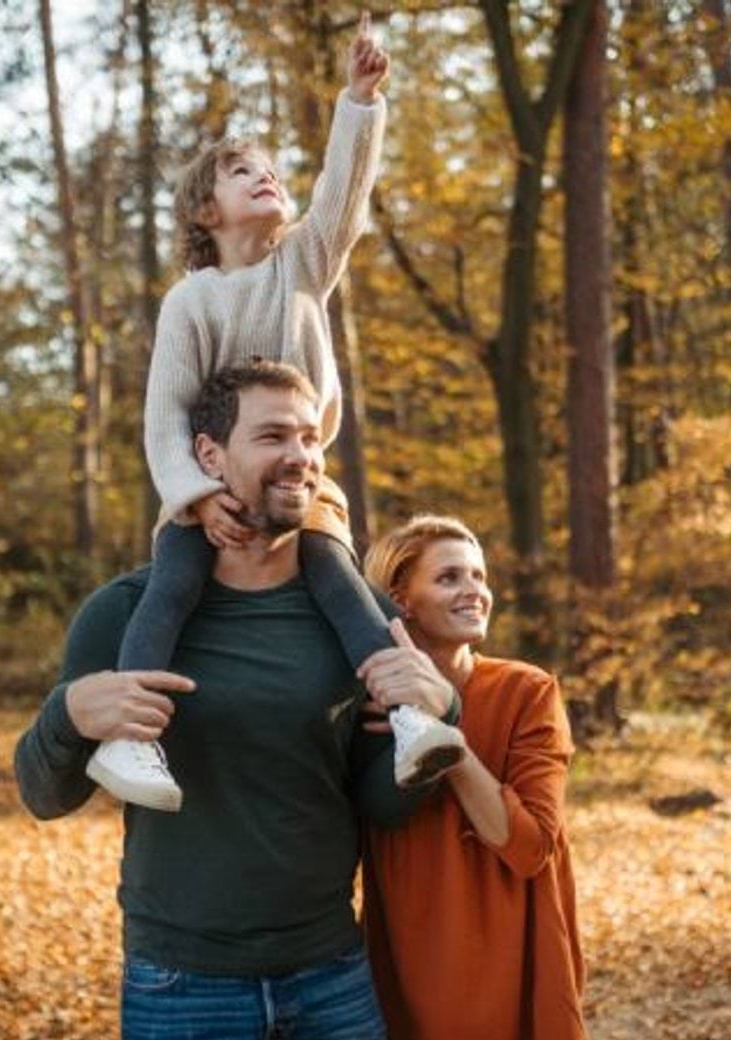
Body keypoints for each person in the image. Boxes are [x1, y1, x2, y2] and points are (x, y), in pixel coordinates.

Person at [14, 361, 460, 1039]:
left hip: (331, 975)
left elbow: (379, 802)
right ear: (208, 455)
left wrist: (440, 712)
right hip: (182, 985)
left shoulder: (359, 616)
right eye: (274, 436)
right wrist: (70, 715)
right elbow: (44, 795)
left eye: (311, 439)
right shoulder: (124, 614)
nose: (301, 458)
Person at [87, 11, 463, 814]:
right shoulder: (192, 300)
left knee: (341, 584)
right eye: (240, 173)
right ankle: (131, 738)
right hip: (212, 485)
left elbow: (345, 196)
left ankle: (407, 721)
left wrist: (360, 102)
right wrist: (196, 496)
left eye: (269, 169)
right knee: (172, 586)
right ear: (204, 214)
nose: (264, 177)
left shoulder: (303, 261)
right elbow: (164, 415)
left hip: (303, 486)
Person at [360, 516, 587, 1040]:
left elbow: (530, 847)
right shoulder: (363, 704)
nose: (475, 592)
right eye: (450, 578)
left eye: (479, 576)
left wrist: (447, 738)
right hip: (404, 957)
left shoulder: (527, 692)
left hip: (512, 958)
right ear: (401, 598)